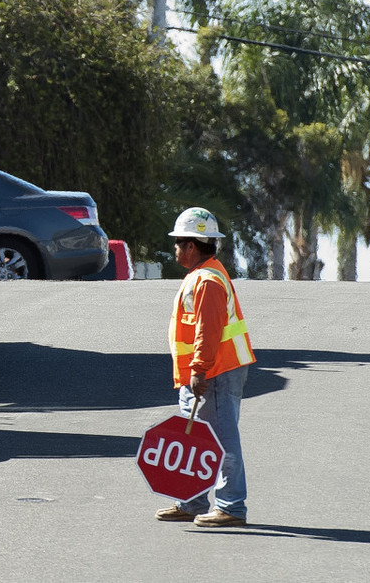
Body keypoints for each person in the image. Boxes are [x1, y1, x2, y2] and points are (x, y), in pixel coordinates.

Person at [155, 207, 255, 528]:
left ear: (192, 246)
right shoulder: (202, 275)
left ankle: (231, 506)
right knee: (197, 437)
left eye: (178, 242)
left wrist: (199, 370)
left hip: (214, 372)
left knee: (222, 438)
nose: (175, 249)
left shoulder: (208, 281)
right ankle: (192, 500)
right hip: (206, 372)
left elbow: (207, 330)